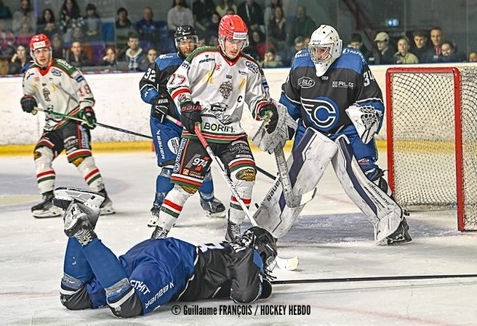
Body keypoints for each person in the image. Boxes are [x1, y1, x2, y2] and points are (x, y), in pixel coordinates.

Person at [274, 25, 411, 245]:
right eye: (315, 50)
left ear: (336, 49)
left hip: (348, 130)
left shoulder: (354, 63)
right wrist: (280, 127)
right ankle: (270, 226)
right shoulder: (300, 65)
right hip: (311, 131)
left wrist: (368, 114)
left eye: (323, 50)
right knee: (293, 179)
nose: (317, 56)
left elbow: (373, 99)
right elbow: (289, 104)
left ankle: (394, 222)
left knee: (366, 173)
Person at [55, 187, 275, 317]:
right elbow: (245, 294)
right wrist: (263, 285)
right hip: (174, 264)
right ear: (261, 249)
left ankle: (86, 212)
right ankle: (84, 235)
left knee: (74, 297)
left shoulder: (235, 252)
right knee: (126, 304)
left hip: (156, 252)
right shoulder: (247, 253)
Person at [152, 15, 279, 241]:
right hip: (200, 132)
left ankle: (234, 232)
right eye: (232, 41)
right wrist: (186, 104)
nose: (236, 46)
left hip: (232, 134)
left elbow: (257, 98)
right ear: (221, 38)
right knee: (184, 187)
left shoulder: (249, 66)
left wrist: (265, 110)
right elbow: (176, 82)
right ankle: (159, 234)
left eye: (241, 41)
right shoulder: (202, 57)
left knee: (246, 175)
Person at [19, 33, 114, 218]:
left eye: (45, 50)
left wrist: (87, 110)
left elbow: (84, 90)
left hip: (72, 119)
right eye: (38, 51)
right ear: (32, 53)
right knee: (41, 155)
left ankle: (103, 199)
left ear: (50, 51)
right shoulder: (30, 74)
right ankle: (48, 200)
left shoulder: (64, 69)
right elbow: (28, 94)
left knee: (80, 158)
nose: (42, 55)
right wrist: (27, 101)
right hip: (52, 125)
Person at [139, 25, 226, 226]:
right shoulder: (164, 62)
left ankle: (208, 200)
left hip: (193, 122)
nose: (187, 45)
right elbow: (145, 85)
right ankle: (159, 205)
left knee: (201, 165)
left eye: (190, 40)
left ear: (197, 40)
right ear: (176, 43)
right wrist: (155, 99)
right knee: (170, 167)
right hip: (166, 123)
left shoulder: (205, 62)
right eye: (183, 41)